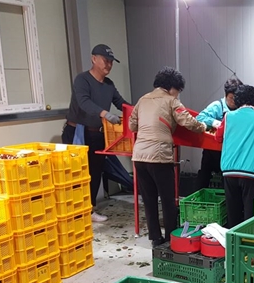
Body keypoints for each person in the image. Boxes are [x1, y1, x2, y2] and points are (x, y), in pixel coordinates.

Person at [129, 67, 206, 248]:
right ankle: (171, 237)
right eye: (178, 91)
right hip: (159, 156)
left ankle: (156, 239)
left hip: (139, 156)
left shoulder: (142, 100)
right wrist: (203, 126)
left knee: (148, 199)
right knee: (167, 199)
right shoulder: (171, 101)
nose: (178, 95)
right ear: (172, 87)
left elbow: (132, 125)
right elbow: (187, 121)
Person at [62, 44, 129, 223]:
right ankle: (74, 211)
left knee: (95, 172)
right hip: (77, 133)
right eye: (105, 60)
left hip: (98, 134)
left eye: (111, 62)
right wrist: (105, 114)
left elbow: (121, 102)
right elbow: (84, 102)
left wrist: (138, 111)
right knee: (77, 174)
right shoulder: (82, 80)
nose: (108, 65)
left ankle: (89, 209)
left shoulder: (109, 85)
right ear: (94, 59)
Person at [215, 85, 254, 228]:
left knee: (233, 212)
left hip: (229, 172)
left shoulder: (228, 117)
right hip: (252, 173)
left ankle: (232, 244)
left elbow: (218, 137)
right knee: (250, 214)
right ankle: (247, 243)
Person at [195, 78, 243, 190]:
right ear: (226, 95)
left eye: (237, 98)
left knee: (228, 179)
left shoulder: (241, 108)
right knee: (204, 175)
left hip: (231, 152)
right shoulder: (217, 106)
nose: (234, 101)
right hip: (213, 151)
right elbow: (199, 117)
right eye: (231, 98)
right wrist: (216, 123)